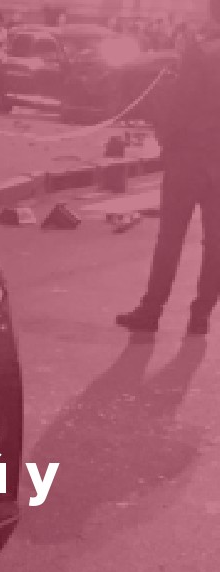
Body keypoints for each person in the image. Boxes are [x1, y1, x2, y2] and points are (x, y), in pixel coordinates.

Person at [117, 1, 220, 336]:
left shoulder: (200, 52)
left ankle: (151, 311)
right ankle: (201, 315)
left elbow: (180, 105)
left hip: (189, 158)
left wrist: (168, 141)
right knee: (216, 244)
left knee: (170, 238)